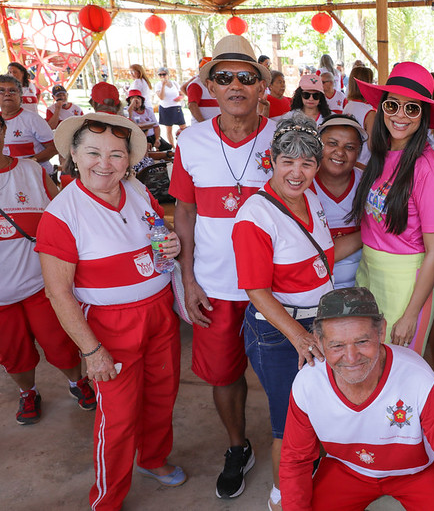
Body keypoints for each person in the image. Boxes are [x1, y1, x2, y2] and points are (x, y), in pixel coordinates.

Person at [37, 113, 184, 510]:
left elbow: (159, 236)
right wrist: (91, 350)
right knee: (117, 418)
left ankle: (153, 459)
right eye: (93, 152)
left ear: (129, 160)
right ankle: (107, 499)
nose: (105, 163)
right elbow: (58, 292)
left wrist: (170, 245)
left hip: (159, 313)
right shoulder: (61, 215)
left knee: (162, 394)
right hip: (109, 327)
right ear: (72, 154)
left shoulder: (136, 189)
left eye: (116, 155)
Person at [169, 35, 275, 500]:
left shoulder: (283, 134)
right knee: (222, 373)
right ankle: (238, 447)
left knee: (288, 372)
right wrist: (188, 279)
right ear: (210, 84)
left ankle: (300, 447)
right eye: (225, 76)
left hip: (275, 285)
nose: (236, 85)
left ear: (262, 86)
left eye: (247, 77)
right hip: (213, 283)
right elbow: (185, 213)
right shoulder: (189, 140)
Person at [232, 113, 353, 511]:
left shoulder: (311, 199)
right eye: (288, 162)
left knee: (315, 410)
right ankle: (284, 498)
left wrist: (379, 235)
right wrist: (299, 336)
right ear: (272, 161)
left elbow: (323, 260)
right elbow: (256, 290)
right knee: (289, 422)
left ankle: (307, 479)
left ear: (317, 167)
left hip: (313, 323)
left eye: (306, 163)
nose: (297, 172)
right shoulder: (255, 215)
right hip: (279, 332)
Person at [280, 287, 434, 511]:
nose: (351, 358)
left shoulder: (417, 377)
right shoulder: (308, 383)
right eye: (337, 345)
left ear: (381, 331)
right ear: (318, 340)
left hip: (416, 472)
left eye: (362, 342)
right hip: (348, 470)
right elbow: (295, 460)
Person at [350, 61, 434, 355]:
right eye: (393, 105)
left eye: (412, 108)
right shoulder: (381, 153)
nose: (400, 115)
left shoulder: (426, 167)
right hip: (370, 271)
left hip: (406, 282)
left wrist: (411, 313)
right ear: (382, 108)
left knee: (397, 370)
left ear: (423, 116)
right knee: (372, 362)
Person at [0, 116, 96, 425]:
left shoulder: (30, 171)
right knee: (13, 354)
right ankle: (28, 393)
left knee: (60, 343)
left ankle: (76, 381)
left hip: (40, 285)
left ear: (4, 131)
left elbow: (64, 216)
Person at [313, 114, 367, 289]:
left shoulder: (368, 184)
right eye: (332, 143)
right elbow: (308, 254)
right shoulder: (301, 184)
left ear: (358, 153)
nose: (340, 152)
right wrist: (368, 233)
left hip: (361, 286)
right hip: (313, 289)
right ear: (318, 145)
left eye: (349, 147)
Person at [0, 75, 57, 174]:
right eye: (1, 90)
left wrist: (31, 161)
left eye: (12, 91)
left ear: (21, 97)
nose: (7, 94)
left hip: (35, 176)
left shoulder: (33, 119)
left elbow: (53, 148)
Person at [342, 66, 376, 165]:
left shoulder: (348, 106)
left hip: (349, 162)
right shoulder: (369, 112)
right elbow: (372, 146)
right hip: (364, 165)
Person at [154, 67, 186, 146]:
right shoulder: (158, 85)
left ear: (168, 74)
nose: (162, 76)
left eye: (164, 74)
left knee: (183, 127)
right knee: (169, 129)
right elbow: (161, 97)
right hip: (166, 108)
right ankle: (173, 147)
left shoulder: (174, 83)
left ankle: (184, 144)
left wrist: (180, 98)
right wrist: (163, 86)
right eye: (160, 74)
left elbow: (182, 94)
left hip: (176, 107)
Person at [185, 57, 220, 124]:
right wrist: (202, 123)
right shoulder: (196, 84)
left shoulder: (214, 82)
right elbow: (192, 105)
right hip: (204, 127)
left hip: (214, 125)